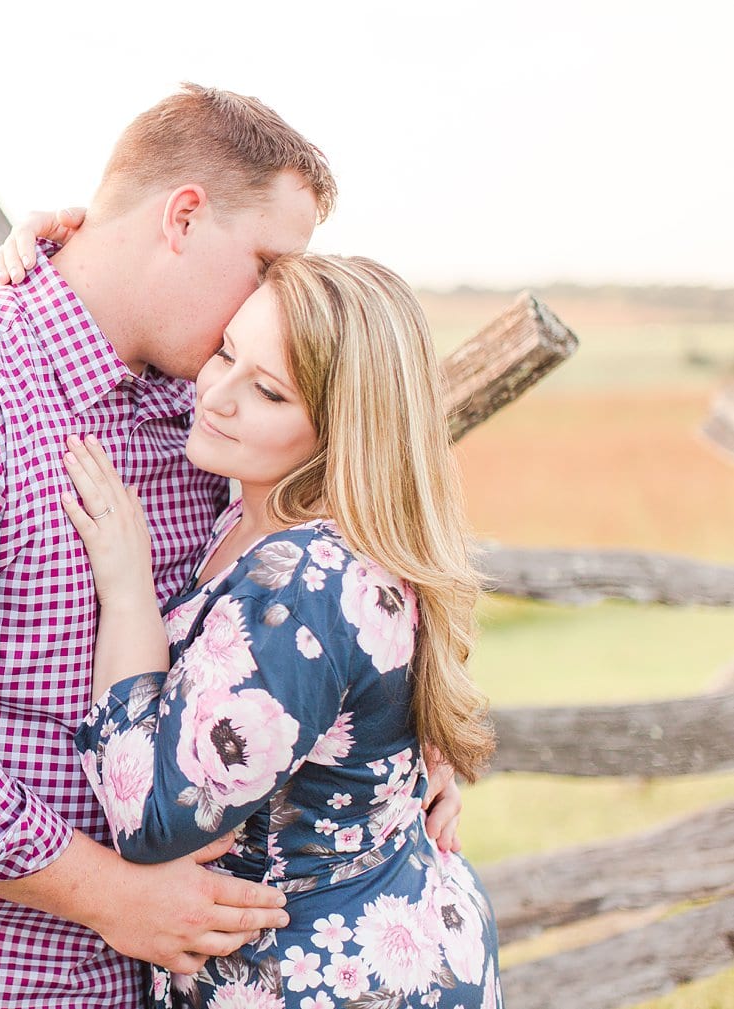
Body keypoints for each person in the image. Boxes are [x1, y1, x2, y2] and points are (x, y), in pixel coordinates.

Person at [0, 83, 459, 1009]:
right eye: (267, 260)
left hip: (153, 959)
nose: (275, 297)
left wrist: (397, 762)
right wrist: (112, 896)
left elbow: (345, 559)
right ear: (182, 216)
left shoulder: (195, 391)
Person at [54, 253, 502, 1008]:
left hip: (327, 981)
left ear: (341, 429)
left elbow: (153, 819)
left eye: (265, 390)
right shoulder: (267, 513)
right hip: (396, 936)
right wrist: (55, 237)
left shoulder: (304, 578)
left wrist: (126, 588)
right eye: (225, 351)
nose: (215, 395)